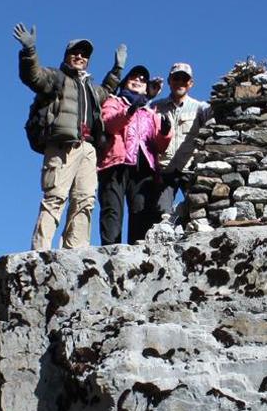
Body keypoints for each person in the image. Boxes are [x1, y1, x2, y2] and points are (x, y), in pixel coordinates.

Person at [13, 23, 125, 250]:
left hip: (88, 148)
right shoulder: (56, 77)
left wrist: (117, 70)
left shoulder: (91, 88)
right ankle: (41, 250)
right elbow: (32, 76)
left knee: (85, 200)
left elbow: (106, 91)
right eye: (76, 52)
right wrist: (29, 52)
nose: (80, 57)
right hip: (62, 146)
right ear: (67, 55)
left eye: (84, 54)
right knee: (55, 197)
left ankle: (76, 250)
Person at [97, 65, 173, 245]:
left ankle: (137, 258)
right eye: (134, 77)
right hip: (115, 164)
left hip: (144, 169)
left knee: (141, 213)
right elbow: (109, 124)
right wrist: (129, 111)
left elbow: (160, 146)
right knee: (112, 211)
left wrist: (165, 132)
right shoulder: (113, 102)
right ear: (125, 81)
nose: (138, 80)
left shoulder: (150, 112)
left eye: (142, 79)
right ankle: (110, 251)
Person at [150, 63, 213, 221]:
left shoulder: (200, 107)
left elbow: (214, 113)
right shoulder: (155, 106)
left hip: (189, 169)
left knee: (196, 212)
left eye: (184, 79)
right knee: (161, 215)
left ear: (191, 83)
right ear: (169, 81)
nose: (180, 82)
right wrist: (148, 94)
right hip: (164, 169)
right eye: (176, 78)